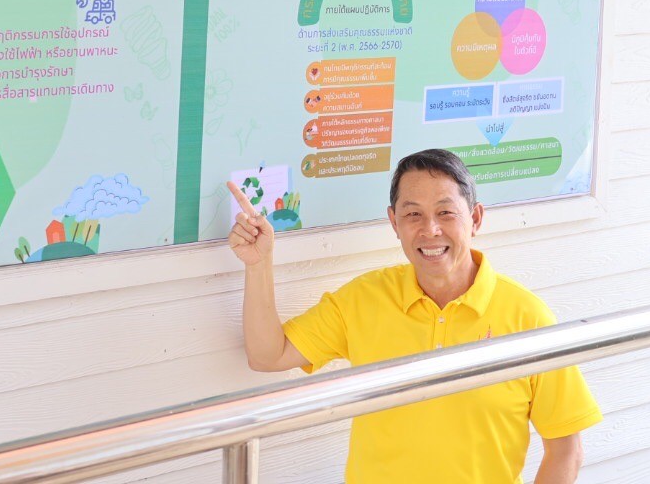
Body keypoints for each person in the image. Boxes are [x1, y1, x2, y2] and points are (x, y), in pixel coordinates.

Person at [227, 148, 601, 483]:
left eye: (445, 212)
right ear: (394, 223)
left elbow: (566, 450)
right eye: (413, 214)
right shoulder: (363, 299)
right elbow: (268, 355)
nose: (430, 229)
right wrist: (259, 264)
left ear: (475, 218)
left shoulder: (528, 318)